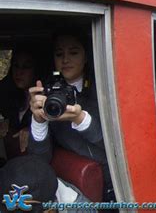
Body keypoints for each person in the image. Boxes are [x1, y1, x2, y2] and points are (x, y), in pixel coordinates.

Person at [27, 32, 114, 201]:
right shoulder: (47, 96)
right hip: (71, 184)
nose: (65, 60)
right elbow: (39, 160)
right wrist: (38, 120)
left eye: (73, 52)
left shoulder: (106, 87)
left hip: (112, 182)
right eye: (59, 54)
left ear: (86, 57)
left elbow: (115, 148)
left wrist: (81, 119)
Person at [0, 47, 38, 160]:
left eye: (26, 67)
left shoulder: (49, 96)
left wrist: (32, 129)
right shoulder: (5, 92)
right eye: (16, 65)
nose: (19, 72)